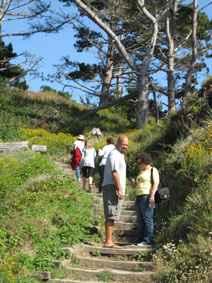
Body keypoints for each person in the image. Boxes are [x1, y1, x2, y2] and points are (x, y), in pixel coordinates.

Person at [102, 135, 129, 248]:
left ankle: (109, 240)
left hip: (114, 187)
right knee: (111, 214)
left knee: (113, 214)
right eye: (123, 144)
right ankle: (108, 242)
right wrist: (119, 189)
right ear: (118, 143)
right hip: (112, 187)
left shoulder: (119, 154)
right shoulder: (114, 155)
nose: (125, 147)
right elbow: (114, 173)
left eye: (127, 145)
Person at [130, 153, 159, 246]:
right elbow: (136, 186)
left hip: (149, 197)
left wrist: (152, 195)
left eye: (140, 163)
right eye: (137, 163)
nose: (138, 165)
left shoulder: (153, 170)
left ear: (145, 161)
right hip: (139, 196)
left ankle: (147, 240)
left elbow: (155, 183)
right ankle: (140, 240)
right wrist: (133, 182)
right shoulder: (141, 172)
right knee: (140, 218)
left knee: (148, 217)